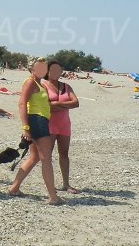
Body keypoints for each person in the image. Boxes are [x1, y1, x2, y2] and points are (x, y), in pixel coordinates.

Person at [9, 58, 62, 205]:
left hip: (40, 120)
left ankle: (14, 188)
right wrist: (25, 127)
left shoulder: (39, 82)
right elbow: (22, 102)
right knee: (46, 158)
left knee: (35, 157)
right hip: (36, 121)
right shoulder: (30, 82)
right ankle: (53, 196)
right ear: (32, 68)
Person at [41, 60, 80, 194]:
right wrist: (63, 104)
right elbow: (46, 106)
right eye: (53, 70)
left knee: (64, 154)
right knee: (48, 155)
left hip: (64, 125)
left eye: (59, 69)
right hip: (49, 124)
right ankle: (49, 185)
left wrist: (56, 103)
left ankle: (66, 184)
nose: (56, 72)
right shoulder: (43, 85)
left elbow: (76, 103)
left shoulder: (66, 86)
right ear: (47, 71)